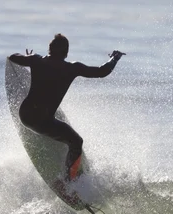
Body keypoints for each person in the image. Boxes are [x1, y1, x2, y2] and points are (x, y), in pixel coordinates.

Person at [9, 34, 125, 181]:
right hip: (43, 122)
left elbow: (13, 57)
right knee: (76, 142)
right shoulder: (72, 68)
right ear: (66, 53)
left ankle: (52, 141)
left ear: (49, 49)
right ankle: (68, 182)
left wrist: (30, 57)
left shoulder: (36, 60)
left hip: (25, 115)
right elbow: (102, 72)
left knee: (49, 118)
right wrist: (114, 58)